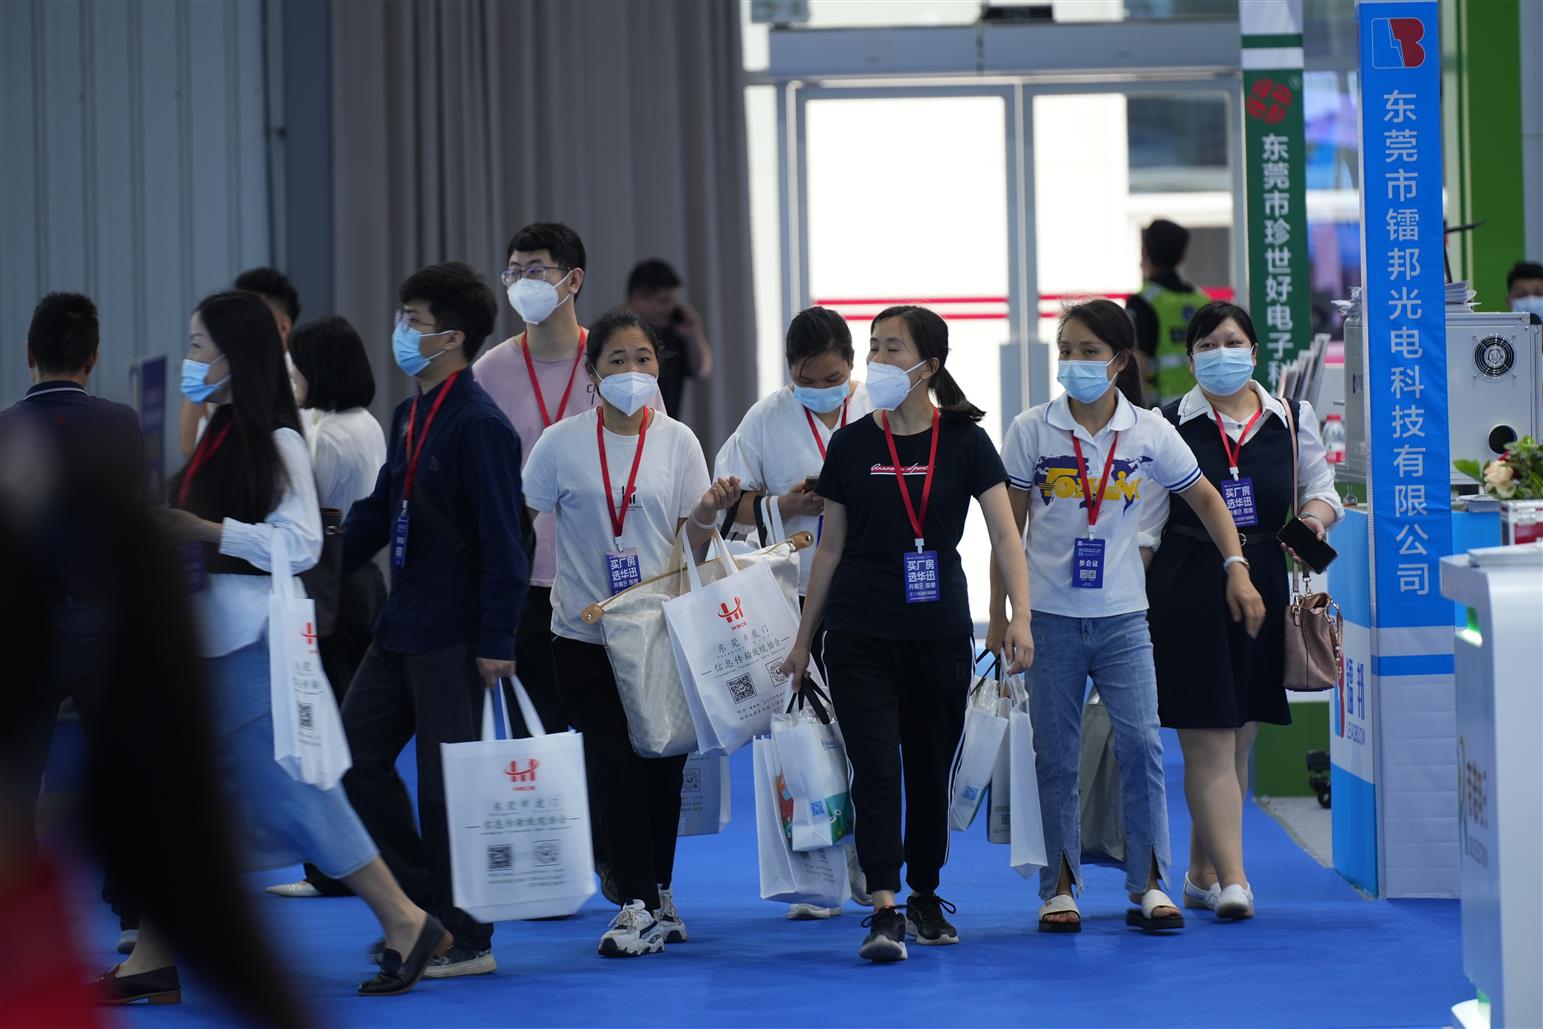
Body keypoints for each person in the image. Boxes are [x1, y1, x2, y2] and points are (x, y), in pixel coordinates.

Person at [110, 290, 450, 1002]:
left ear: (236, 357)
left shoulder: (279, 440)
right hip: (218, 639)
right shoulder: (219, 431)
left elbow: (299, 544)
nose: (190, 358)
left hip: (249, 642)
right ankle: (155, 953)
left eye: (200, 345)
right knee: (208, 800)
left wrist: (205, 532)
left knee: (255, 795)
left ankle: (404, 918)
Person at [987, 297, 1265, 937]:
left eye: (1089, 352)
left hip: (1123, 620)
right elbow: (1009, 531)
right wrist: (1003, 614)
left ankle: (1150, 884)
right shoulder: (1033, 429)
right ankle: (1059, 886)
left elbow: (1206, 497)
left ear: (1118, 361)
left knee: (1142, 746)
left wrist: (1236, 566)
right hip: (1050, 617)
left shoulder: (1148, 432)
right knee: (1054, 754)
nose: (1075, 364)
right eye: (1067, 351)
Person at [779, 305, 1036, 964]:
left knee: (928, 773)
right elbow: (829, 549)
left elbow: (1005, 533)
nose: (879, 362)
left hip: (939, 633)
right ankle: (884, 904)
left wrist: (1018, 616)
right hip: (859, 631)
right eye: (875, 348)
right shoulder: (852, 443)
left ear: (930, 365)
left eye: (893, 349)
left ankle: (923, 889)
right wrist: (804, 637)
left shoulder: (966, 442)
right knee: (873, 768)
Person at [522, 308, 740, 958]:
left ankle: (661, 894)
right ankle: (636, 901)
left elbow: (694, 544)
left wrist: (705, 514)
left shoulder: (677, 441)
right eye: (617, 360)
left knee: (661, 768)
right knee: (612, 764)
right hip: (582, 634)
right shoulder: (558, 443)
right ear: (592, 374)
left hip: (659, 632)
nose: (633, 371)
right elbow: (518, 527)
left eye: (643, 358)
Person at [338, 261, 529, 980]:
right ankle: (422, 913)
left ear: (451, 337)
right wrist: (307, 560)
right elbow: (378, 513)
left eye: (412, 321)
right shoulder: (410, 414)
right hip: (399, 622)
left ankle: (469, 933)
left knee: (449, 789)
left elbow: (505, 540)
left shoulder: (480, 424)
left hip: (454, 632)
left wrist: (496, 638)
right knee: (351, 761)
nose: (399, 331)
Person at [1138, 301, 1342, 920]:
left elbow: (1322, 489)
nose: (1219, 353)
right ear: (1193, 355)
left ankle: (1201, 872)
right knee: (1207, 736)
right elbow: (1146, 522)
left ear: (1253, 352)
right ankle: (1235, 880)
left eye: (1232, 342)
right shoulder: (1165, 421)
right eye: (1207, 344)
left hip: (1266, 581)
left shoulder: (1290, 416)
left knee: (1238, 739)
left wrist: (1311, 522)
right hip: (1189, 581)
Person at [714, 306, 874, 921]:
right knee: (805, 736)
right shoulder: (767, 417)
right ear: (790, 371)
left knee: (866, 734)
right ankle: (815, 868)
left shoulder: (875, 410)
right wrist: (787, 501)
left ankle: (868, 860)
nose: (821, 389)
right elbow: (728, 501)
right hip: (794, 597)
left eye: (832, 377)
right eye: (807, 379)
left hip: (865, 594)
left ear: (852, 367)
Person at [475, 222, 664, 734]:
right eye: (513, 272)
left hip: (615, 582)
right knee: (539, 746)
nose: (522, 283)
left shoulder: (617, 367)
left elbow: (655, 459)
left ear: (573, 279)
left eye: (536, 270)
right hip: (528, 584)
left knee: (615, 748)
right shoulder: (489, 373)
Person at [3, 292, 147, 953]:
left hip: (22, 628)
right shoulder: (121, 425)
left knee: (15, 784)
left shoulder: (6, 430)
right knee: (124, 776)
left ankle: (21, 927)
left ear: (27, 354)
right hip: (103, 622)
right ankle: (139, 921)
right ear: (93, 357)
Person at [265, 315, 387, 901]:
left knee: (328, 720)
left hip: (331, 576)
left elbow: (296, 502)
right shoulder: (358, 423)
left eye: (298, 366)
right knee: (340, 714)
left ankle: (336, 867)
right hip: (355, 575)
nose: (292, 376)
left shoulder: (328, 434)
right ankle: (340, 863)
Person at [179, 267, 302, 459]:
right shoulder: (226, 397)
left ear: (283, 328)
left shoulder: (295, 390)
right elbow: (189, 447)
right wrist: (197, 384)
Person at [1126, 219, 1211, 406]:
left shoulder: (1142, 302)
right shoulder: (1203, 300)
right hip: (1203, 409)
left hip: (1159, 415)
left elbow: (1135, 363)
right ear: (1182, 258)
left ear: (1144, 252)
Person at [625, 258, 713, 419]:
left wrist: (694, 335)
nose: (670, 308)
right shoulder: (610, 335)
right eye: (663, 301)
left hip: (665, 431)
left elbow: (701, 369)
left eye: (674, 300)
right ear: (638, 298)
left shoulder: (675, 331)